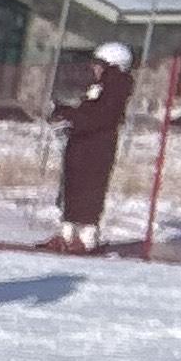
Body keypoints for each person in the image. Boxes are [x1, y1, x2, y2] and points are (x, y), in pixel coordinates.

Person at [53, 37, 136, 252]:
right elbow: (89, 112)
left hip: (97, 147)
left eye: (99, 64)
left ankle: (87, 237)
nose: (94, 68)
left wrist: (73, 119)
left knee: (90, 189)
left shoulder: (115, 88)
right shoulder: (100, 87)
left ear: (112, 66)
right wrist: (67, 113)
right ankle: (67, 233)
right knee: (73, 186)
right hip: (82, 144)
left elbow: (101, 117)